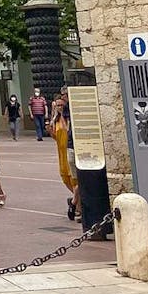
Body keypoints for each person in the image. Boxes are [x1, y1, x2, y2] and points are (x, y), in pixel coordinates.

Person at [52, 93, 80, 221]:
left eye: (62, 105)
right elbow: (54, 135)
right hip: (62, 151)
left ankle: (77, 205)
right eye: (57, 105)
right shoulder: (55, 120)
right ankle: (77, 203)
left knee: (75, 180)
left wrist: (62, 115)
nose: (60, 107)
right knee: (66, 179)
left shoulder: (68, 117)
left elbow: (67, 130)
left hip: (70, 148)